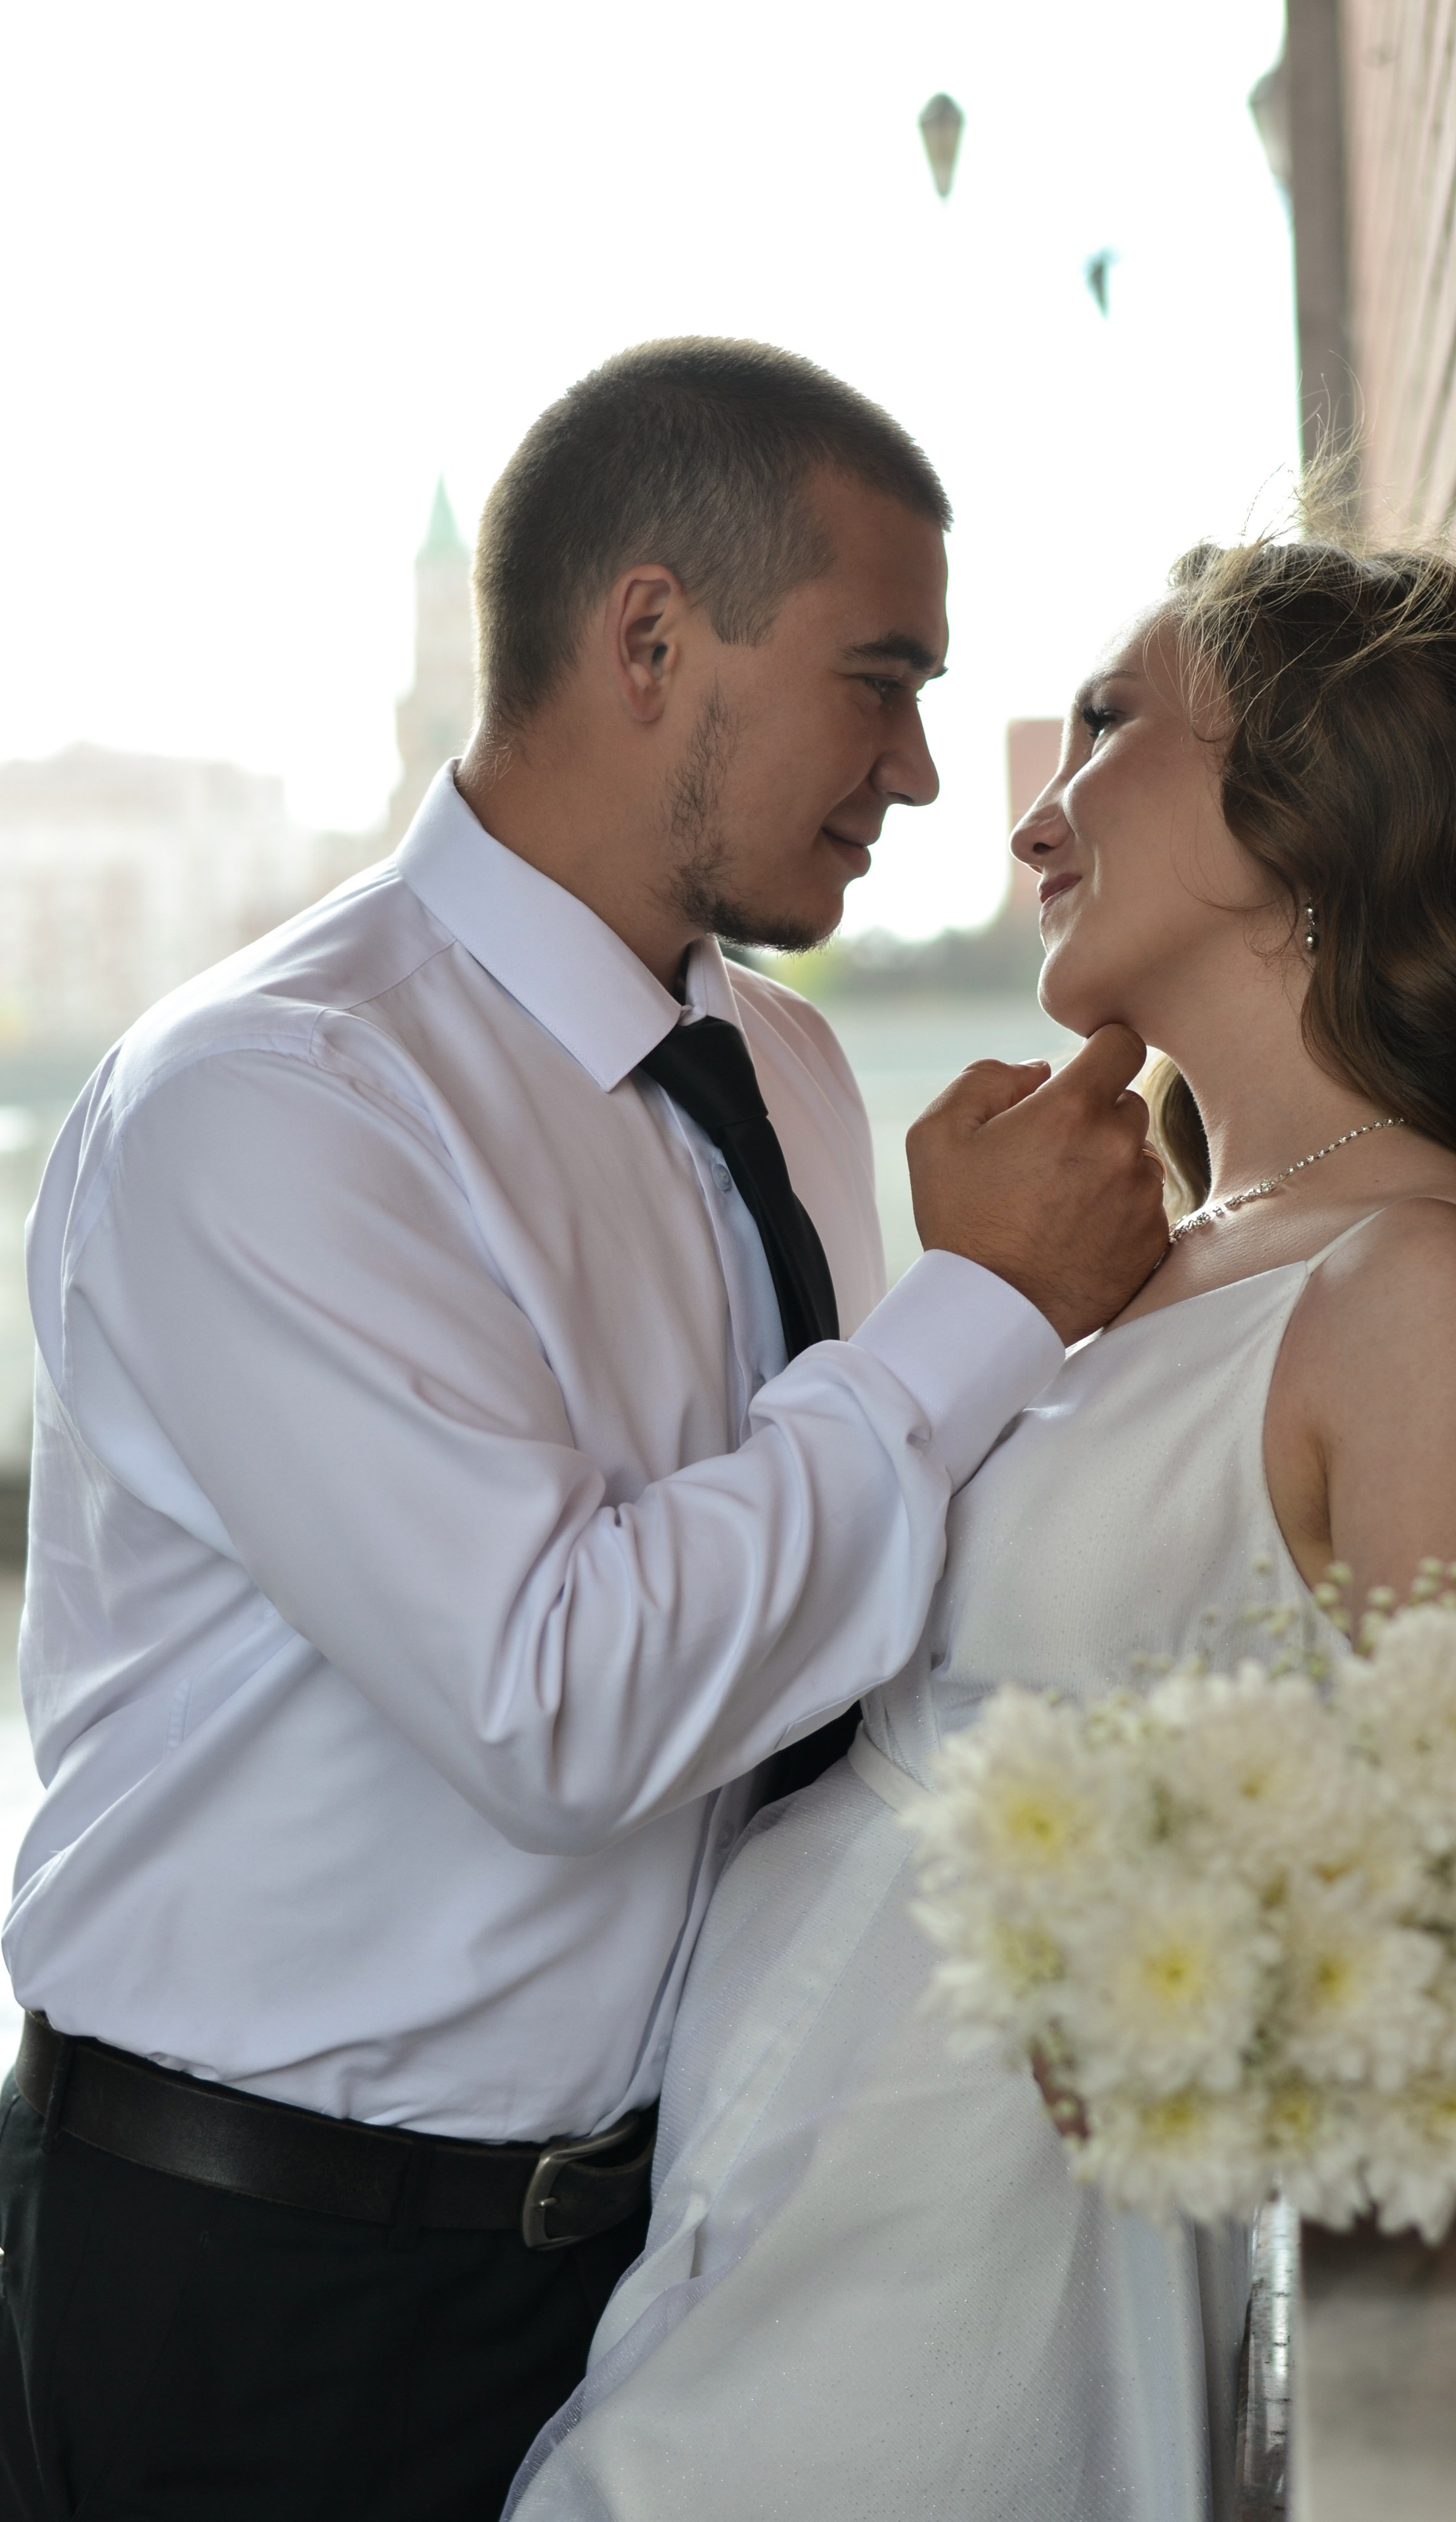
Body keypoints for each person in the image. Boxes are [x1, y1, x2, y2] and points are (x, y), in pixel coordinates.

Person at [0, 340, 1172, 2522]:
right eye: (882, 676)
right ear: (652, 638)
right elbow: (563, 1701)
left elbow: (819, 1618)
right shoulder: (273, 1106)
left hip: (681, 2244)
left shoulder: (795, 1083)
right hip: (271, 2287)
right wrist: (983, 1308)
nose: (921, 769)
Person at [506, 530, 1456, 2522]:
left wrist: (1183, 1988)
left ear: (1294, 804)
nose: (1031, 810)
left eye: (1104, 729)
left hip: (963, 2349)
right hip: (764, 2251)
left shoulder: (1411, 1291)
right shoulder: (1171, 1256)